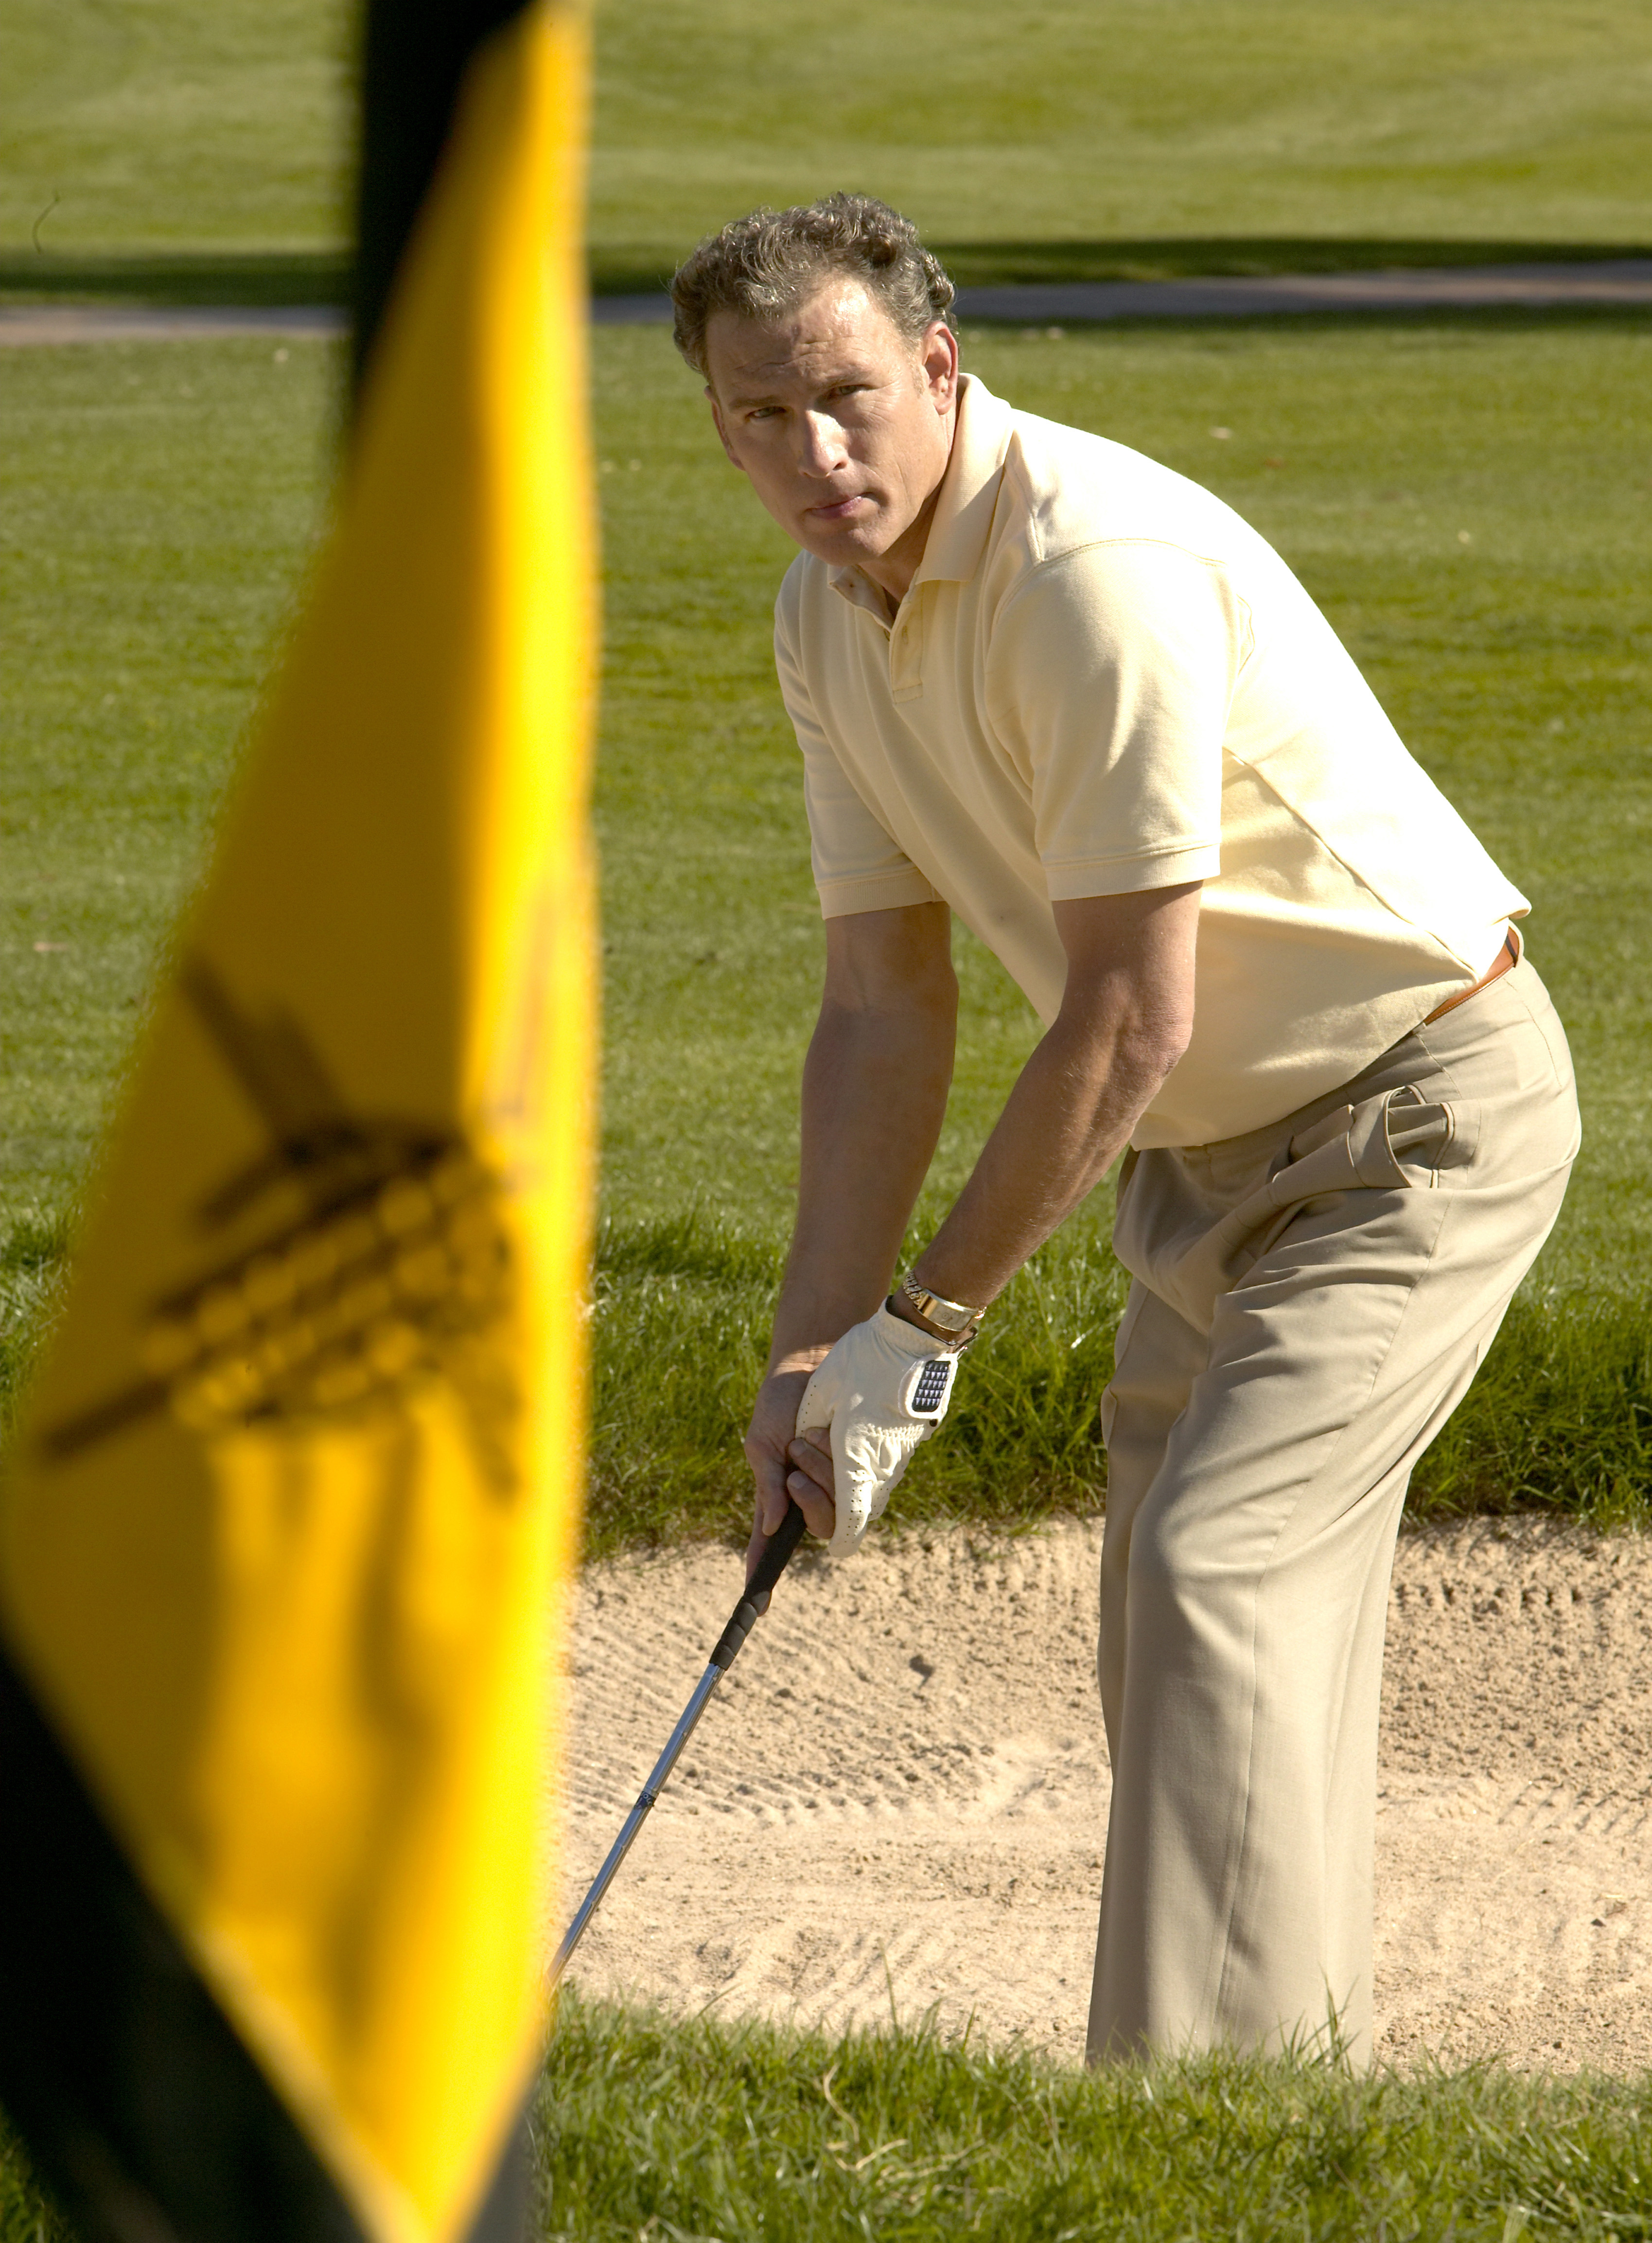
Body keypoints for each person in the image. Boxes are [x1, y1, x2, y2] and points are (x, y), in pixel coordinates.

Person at [668, 194, 1580, 2068]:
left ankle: (1189, 2127)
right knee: (1184, 1628)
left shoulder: (1093, 567)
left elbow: (1127, 1010)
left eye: (845, 395)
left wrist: (919, 1336)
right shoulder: (824, 620)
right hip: (1197, 1164)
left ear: (937, 367)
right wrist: (807, 1350)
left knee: (1221, 1570)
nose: (813, 453)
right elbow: (878, 1011)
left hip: (1411, 1119)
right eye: (760, 416)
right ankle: (1282, 2092)